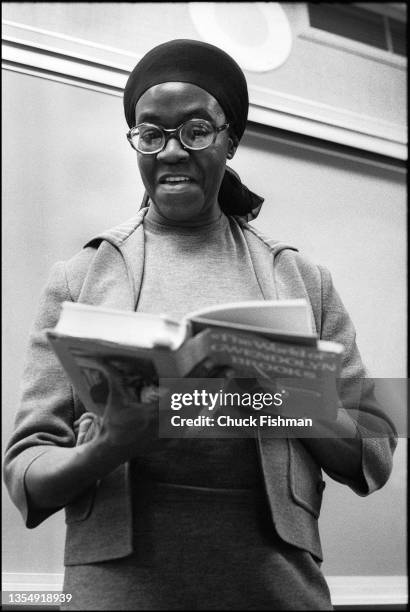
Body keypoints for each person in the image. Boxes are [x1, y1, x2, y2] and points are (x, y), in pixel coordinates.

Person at [4, 39, 397, 611]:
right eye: (151, 133)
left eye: (195, 130)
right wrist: (106, 447)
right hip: (117, 591)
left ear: (230, 139)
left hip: (273, 586)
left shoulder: (304, 279)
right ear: (136, 140)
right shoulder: (78, 278)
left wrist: (284, 393)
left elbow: (377, 447)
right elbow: (25, 471)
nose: (170, 151)